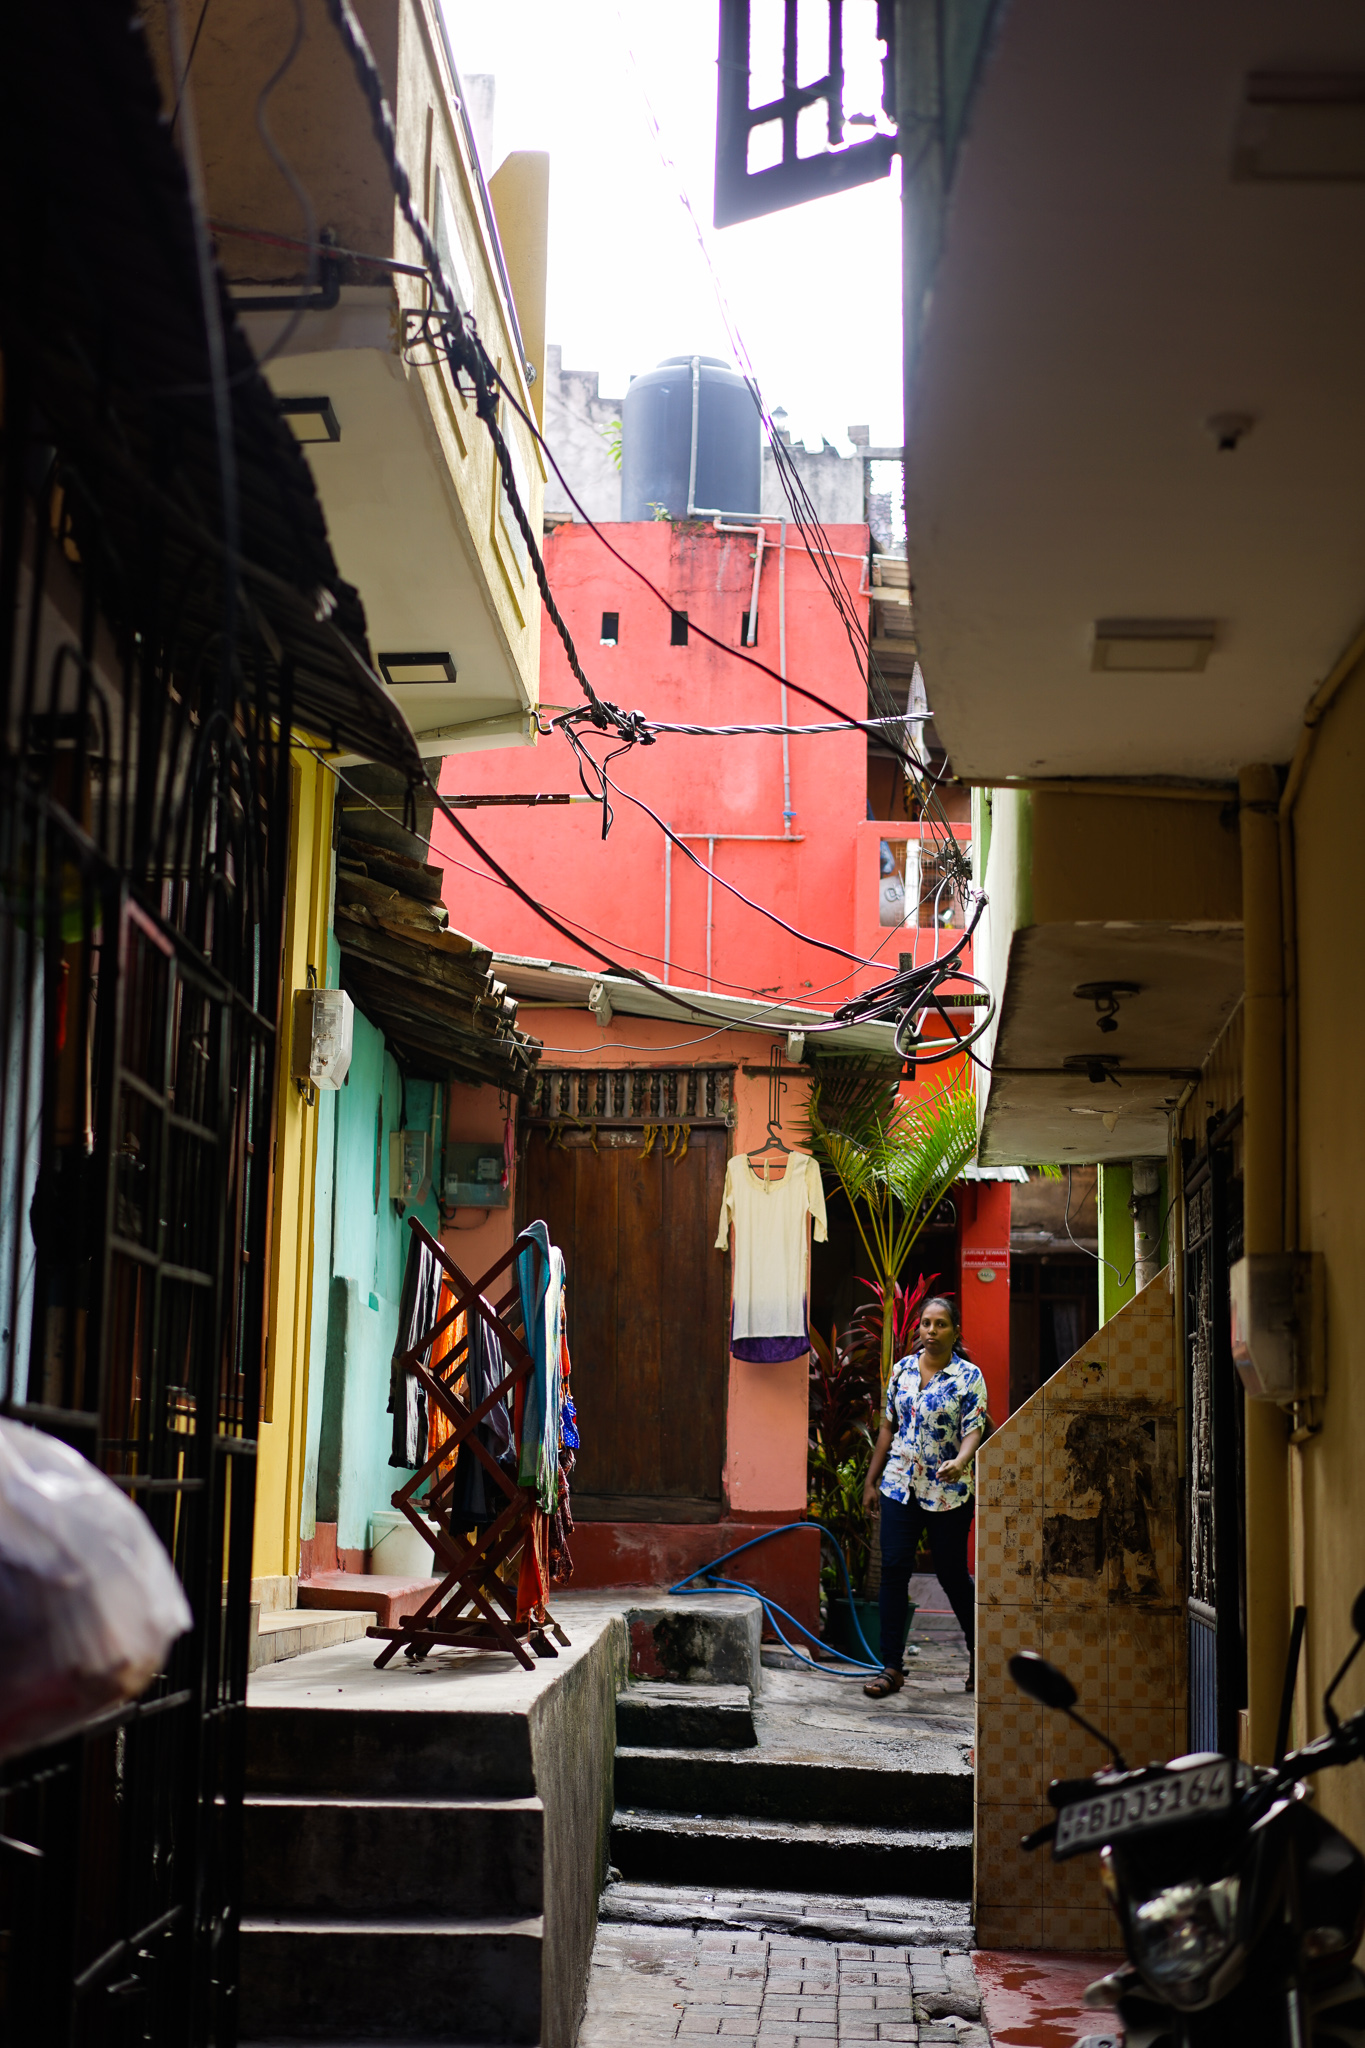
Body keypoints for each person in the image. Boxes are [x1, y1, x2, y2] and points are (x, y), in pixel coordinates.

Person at [861, 1295, 986, 1697]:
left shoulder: (968, 1377)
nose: (931, 1331)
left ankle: (979, 1660)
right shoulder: (901, 1372)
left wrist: (962, 1461)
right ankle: (891, 1667)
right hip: (900, 1484)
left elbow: (974, 1429)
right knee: (894, 1570)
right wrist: (871, 1479)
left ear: (955, 1331)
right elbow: (887, 1427)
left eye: (941, 1324)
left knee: (951, 1574)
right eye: (926, 1323)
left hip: (948, 1490)